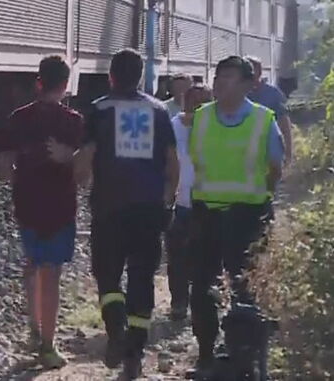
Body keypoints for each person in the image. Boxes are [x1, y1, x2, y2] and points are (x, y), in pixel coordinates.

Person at [74, 48, 180, 380]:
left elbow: (86, 159)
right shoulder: (159, 111)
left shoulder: (99, 109)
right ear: (141, 76)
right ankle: (134, 353)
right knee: (142, 277)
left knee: (107, 275)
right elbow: (172, 162)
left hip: (109, 208)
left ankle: (115, 328)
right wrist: (167, 197)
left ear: (111, 76)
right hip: (148, 208)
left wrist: (80, 181)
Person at [186, 56, 283, 379]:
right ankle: (206, 355)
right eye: (218, 77)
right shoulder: (200, 117)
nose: (220, 83)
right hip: (207, 214)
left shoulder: (262, 119)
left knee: (246, 289)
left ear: (247, 85)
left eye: (228, 77)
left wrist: (255, 198)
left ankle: (243, 358)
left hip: (249, 214)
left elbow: (275, 169)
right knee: (201, 288)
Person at [0, 56, 84, 370]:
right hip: (60, 206)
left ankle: (34, 327)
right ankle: (48, 344)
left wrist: (23, 182)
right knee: (52, 273)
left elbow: (5, 168)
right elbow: (83, 170)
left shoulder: (18, 118)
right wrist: (66, 158)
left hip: (28, 204)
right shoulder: (74, 121)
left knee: (33, 264)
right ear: (66, 85)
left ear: (38, 82)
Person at [166, 83, 212, 322]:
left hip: (209, 204)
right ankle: (179, 302)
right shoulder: (172, 128)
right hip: (180, 203)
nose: (198, 108)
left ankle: (202, 304)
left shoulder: (217, 129)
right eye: (194, 103)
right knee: (177, 257)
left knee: (203, 259)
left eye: (204, 103)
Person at [245, 56, 293, 166]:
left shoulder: (273, 94)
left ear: (259, 72)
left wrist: (288, 153)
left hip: (268, 150)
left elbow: (284, 124)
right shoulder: (239, 93)